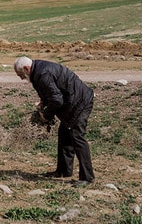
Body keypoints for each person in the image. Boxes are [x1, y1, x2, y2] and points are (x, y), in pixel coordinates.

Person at [13, 56, 95, 187]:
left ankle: (87, 177)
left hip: (80, 102)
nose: (21, 78)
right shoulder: (37, 70)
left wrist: (46, 115)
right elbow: (52, 91)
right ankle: (63, 171)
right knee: (64, 134)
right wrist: (43, 101)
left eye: (21, 75)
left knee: (77, 138)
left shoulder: (42, 73)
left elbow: (57, 100)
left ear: (26, 69)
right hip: (72, 102)